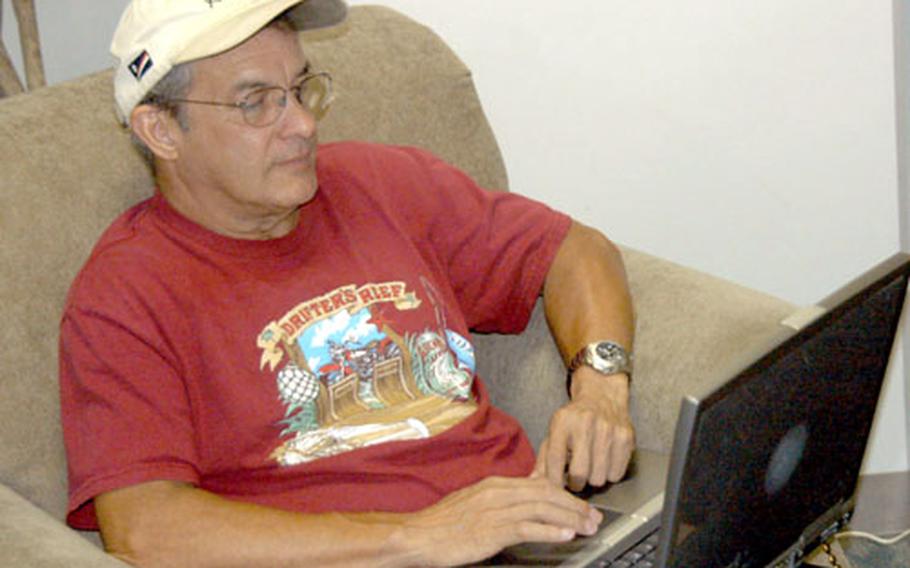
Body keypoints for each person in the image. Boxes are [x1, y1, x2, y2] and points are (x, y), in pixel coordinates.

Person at [59, 1, 636, 566]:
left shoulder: (378, 182)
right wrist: (417, 538)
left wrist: (600, 389)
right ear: (160, 131)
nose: (304, 125)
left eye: (302, 89)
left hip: (528, 543)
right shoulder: (125, 295)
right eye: (257, 103)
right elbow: (144, 530)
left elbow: (573, 250)